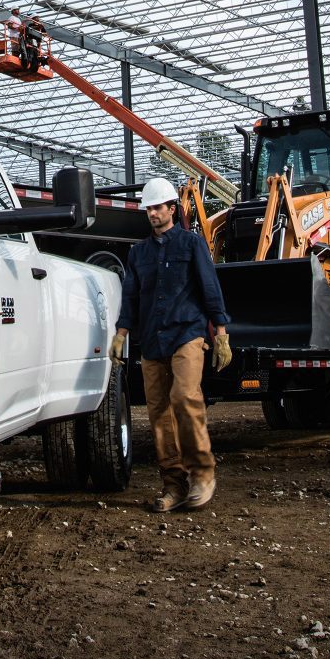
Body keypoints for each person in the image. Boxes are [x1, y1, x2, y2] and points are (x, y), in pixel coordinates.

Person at [110, 177, 231, 512]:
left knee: (184, 396)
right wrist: (121, 333)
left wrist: (220, 333)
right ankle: (174, 485)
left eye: (157, 207)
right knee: (159, 414)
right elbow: (130, 296)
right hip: (152, 340)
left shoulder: (191, 245)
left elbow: (210, 288)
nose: (152, 213)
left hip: (187, 334)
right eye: (148, 208)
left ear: (172, 209)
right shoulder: (138, 253)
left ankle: (203, 474)